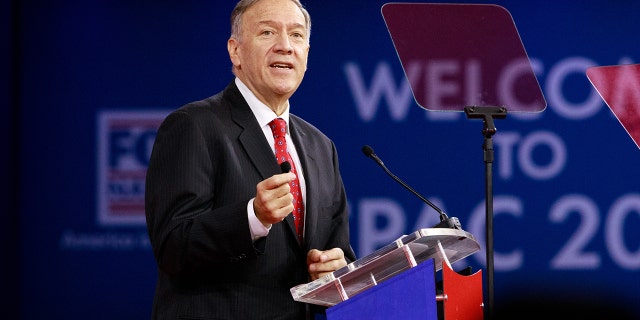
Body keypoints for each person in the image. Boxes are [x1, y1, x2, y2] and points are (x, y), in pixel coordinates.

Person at [144, 0, 356, 319]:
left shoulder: (321, 146)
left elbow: (338, 252)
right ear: (235, 51)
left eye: (297, 35)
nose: (285, 46)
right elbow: (173, 247)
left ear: (307, 54)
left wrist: (335, 270)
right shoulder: (193, 126)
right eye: (268, 32)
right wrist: (252, 217)